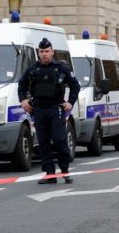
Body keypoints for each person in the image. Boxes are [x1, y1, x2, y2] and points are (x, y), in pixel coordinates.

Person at [18, 38, 80, 184]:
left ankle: (64, 170)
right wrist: (23, 100)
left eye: (47, 51)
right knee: (43, 143)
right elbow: (22, 84)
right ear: (38, 53)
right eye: (42, 52)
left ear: (52, 52)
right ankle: (50, 174)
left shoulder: (61, 68)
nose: (44, 54)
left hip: (55, 109)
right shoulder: (33, 69)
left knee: (59, 140)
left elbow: (75, 86)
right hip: (38, 109)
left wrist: (70, 102)